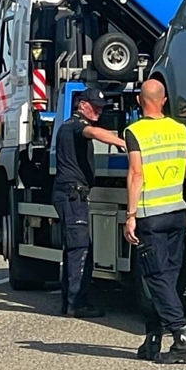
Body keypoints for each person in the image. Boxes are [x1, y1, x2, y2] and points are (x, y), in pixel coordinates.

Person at [124, 79, 186, 363]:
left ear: (139, 101)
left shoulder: (135, 131)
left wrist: (130, 215)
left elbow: (136, 174)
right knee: (168, 278)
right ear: (164, 100)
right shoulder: (180, 130)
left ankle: (182, 338)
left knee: (156, 279)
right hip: (176, 213)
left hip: (150, 216)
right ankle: (153, 338)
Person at [53, 87, 126, 318]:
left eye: (101, 108)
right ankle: (77, 303)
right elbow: (93, 133)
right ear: (82, 104)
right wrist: (120, 141)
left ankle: (68, 302)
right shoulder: (75, 125)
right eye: (94, 106)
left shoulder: (69, 126)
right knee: (80, 250)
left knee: (73, 248)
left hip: (70, 194)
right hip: (73, 195)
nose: (98, 111)